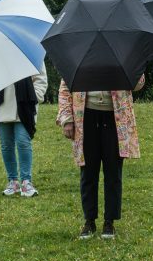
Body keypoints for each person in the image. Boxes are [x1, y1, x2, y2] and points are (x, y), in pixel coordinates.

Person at [56, 76, 144, 240]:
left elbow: (137, 85)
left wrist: (137, 70)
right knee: (88, 171)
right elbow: (65, 87)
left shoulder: (122, 52)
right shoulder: (78, 53)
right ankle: (89, 221)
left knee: (113, 172)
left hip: (115, 118)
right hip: (86, 116)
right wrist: (67, 119)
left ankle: (109, 222)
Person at [0, 64, 48, 197]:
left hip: (25, 104)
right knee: (6, 144)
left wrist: (34, 96)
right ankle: (13, 182)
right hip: (1, 104)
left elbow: (41, 77)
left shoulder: (29, 47)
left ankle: (26, 182)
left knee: (23, 141)